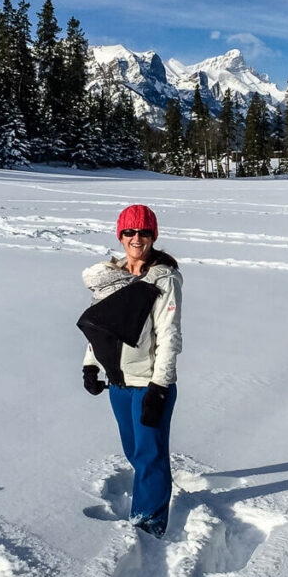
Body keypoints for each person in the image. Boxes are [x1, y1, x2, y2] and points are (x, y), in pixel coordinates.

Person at [79, 204, 182, 537]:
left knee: (150, 454)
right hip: (120, 383)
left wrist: (161, 386)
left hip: (149, 383)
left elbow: (169, 335)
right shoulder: (114, 277)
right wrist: (91, 367)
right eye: (130, 232)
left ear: (154, 235)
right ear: (120, 236)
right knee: (135, 451)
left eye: (144, 232)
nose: (137, 238)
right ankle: (149, 499)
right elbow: (101, 329)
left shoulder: (163, 278)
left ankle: (149, 524)